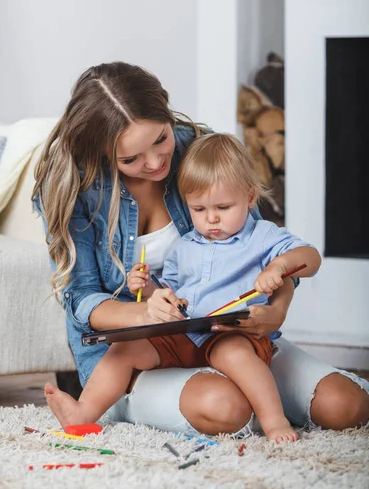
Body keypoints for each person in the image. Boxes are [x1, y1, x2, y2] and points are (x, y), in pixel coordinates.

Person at [33, 61, 369, 439]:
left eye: (161, 139)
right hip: (142, 353)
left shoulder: (202, 153)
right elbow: (81, 299)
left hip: (229, 336)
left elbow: (265, 249)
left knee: (347, 406)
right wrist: (144, 305)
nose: (157, 162)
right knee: (226, 407)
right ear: (101, 154)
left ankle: (259, 402)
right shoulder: (76, 188)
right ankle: (103, 410)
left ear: (165, 109)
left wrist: (276, 313)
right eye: (130, 160)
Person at [43, 133, 322, 442]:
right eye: (199, 210)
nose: (212, 218)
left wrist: (279, 267)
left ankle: (275, 421)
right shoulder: (185, 246)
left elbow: (310, 258)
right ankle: (82, 414)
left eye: (223, 207)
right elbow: (171, 293)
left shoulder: (263, 235)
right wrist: (149, 288)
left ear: (250, 198)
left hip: (231, 334)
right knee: (123, 351)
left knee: (235, 355)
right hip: (183, 331)